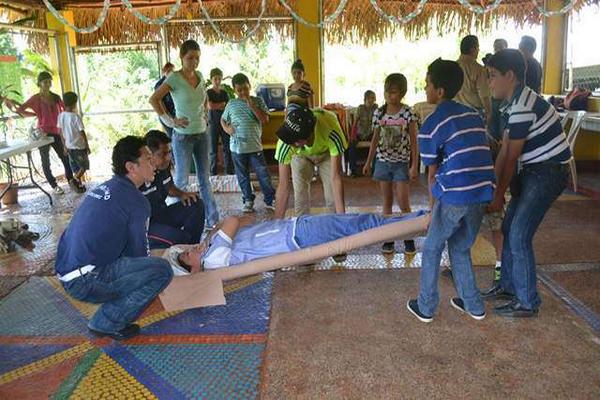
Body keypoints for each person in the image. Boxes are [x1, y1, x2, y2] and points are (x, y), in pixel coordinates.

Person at [55, 136, 173, 340]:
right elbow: (139, 257)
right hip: (86, 279)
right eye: (147, 159)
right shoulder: (136, 201)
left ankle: (108, 312)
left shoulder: (107, 187)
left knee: (139, 266)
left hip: (67, 271)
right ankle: (107, 322)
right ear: (131, 167)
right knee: (161, 271)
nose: (154, 163)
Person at [483, 49, 571, 317]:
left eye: (493, 76)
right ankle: (508, 287)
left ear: (510, 76)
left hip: (548, 172)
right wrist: (493, 188)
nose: (490, 82)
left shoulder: (522, 105)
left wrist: (498, 195)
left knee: (519, 233)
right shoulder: (514, 102)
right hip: (534, 170)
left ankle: (527, 302)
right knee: (510, 227)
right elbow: (505, 149)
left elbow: (510, 157)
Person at [407, 58, 495, 323]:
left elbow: (432, 171)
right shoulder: (474, 116)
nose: (425, 89)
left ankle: (425, 306)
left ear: (440, 91)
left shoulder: (432, 123)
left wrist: (434, 207)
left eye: (427, 84)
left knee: (433, 247)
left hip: (455, 194)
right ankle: (473, 305)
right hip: (481, 192)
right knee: (460, 247)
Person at [176, 211, 426, 271]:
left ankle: (419, 220)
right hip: (298, 233)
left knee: (361, 223)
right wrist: (209, 237)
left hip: (296, 231)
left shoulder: (215, 251)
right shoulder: (213, 258)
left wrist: (211, 237)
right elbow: (231, 219)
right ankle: (422, 219)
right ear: (195, 268)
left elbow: (248, 218)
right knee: (365, 224)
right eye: (188, 255)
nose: (192, 249)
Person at [150, 39, 219, 229]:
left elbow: (203, 97)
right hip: (182, 136)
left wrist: (204, 113)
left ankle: (213, 221)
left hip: (202, 133)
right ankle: (175, 220)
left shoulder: (200, 75)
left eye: (197, 58)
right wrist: (171, 121)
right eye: (190, 58)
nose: (194, 62)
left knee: (205, 179)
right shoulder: (173, 78)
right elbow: (154, 99)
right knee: (181, 180)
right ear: (181, 58)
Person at [363, 74, 418, 255]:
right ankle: (388, 239)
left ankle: (409, 238)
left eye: (393, 92)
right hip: (383, 162)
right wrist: (369, 161)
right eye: (387, 91)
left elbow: (414, 140)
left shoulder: (407, 113)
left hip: (401, 163)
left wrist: (414, 165)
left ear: (401, 93)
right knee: (386, 202)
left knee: (404, 203)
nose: (389, 95)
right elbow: (375, 139)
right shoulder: (379, 113)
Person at [273, 107, 347, 219]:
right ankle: (302, 224)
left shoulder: (332, 131)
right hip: (300, 155)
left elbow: (335, 178)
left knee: (332, 195)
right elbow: (283, 185)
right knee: (300, 195)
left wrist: (343, 219)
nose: (290, 143)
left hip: (326, 153)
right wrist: (276, 224)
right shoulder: (286, 143)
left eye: (294, 141)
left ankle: (335, 222)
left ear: (308, 137)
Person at [221, 73, 275, 213]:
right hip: (237, 148)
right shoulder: (231, 103)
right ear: (234, 90)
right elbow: (223, 120)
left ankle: (270, 199)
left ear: (250, 86)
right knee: (242, 176)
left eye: (245, 88)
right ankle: (248, 199)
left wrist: (252, 106)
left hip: (255, 146)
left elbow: (265, 120)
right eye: (239, 90)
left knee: (263, 174)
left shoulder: (258, 101)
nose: (243, 92)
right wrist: (227, 128)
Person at [13, 71, 75, 194]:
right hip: (43, 134)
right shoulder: (35, 98)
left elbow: (66, 110)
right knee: (45, 161)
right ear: (39, 83)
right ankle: (54, 186)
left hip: (56, 132)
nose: (47, 83)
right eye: (45, 81)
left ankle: (71, 181)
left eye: (49, 81)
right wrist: (34, 114)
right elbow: (20, 110)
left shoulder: (56, 97)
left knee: (65, 157)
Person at [142, 130, 205, 249]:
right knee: (180, 237)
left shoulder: (164, 167)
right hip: (145, 224)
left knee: (196, 204)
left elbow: (169, 187)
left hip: (161, 214)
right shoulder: (140, 174)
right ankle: (182, 253)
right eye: (162, 154)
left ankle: (192, 249)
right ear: (149, 155)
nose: (168, 158)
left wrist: (182, 194)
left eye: (169, 153)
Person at [454, 35, 492, 126]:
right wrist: (489, 114)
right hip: (474, 114)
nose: (478, 50)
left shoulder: (452, 68)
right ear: (472, 49)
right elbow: (484, 95)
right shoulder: (478, 69)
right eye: (478, 48)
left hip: (455, 114)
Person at [57, 91, 88, 193]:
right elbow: (82, 132)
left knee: (75, 167)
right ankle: (73, 180)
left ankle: (78, 185)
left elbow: (60, 132)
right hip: (79, 147)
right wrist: (87, 145)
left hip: (69, 147)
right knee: (84, 166)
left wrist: (64, 146)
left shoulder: (61, 116)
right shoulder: (75, 117)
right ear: (75, 103)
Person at [207, 67, 234, 175]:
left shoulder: (224, 93)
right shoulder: (208, 92)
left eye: (219, 79)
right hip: (213, 123)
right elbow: (210, 106)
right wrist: (220, 105)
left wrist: (218, 106)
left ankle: (230, 173)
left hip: (225, 123)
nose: (217, 81)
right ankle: (212, 173)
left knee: (227, 148)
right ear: (211, 80)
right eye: (215, 79)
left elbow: (228, 106)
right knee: (213, 150)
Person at [347, 90, 377, 177]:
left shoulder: (376, 108)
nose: (373, 100)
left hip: (370, 134)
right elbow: (355, 123)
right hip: (360, 134)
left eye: (373, 98)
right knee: (352, 145)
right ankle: (353, 170)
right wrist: (352, 136)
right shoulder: (360, 108)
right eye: (371, 98)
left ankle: (374, 170)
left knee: (377, 144)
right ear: (365, 99)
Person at [154, 62, 176, 138]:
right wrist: (168, 117)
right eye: (169, 70)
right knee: (173, 137)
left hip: (174, 114)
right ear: (164, 71)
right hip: (166, 114)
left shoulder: (174, 82)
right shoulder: (160, 84)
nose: (171, 72)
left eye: (172, 70)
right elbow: (159, 102)